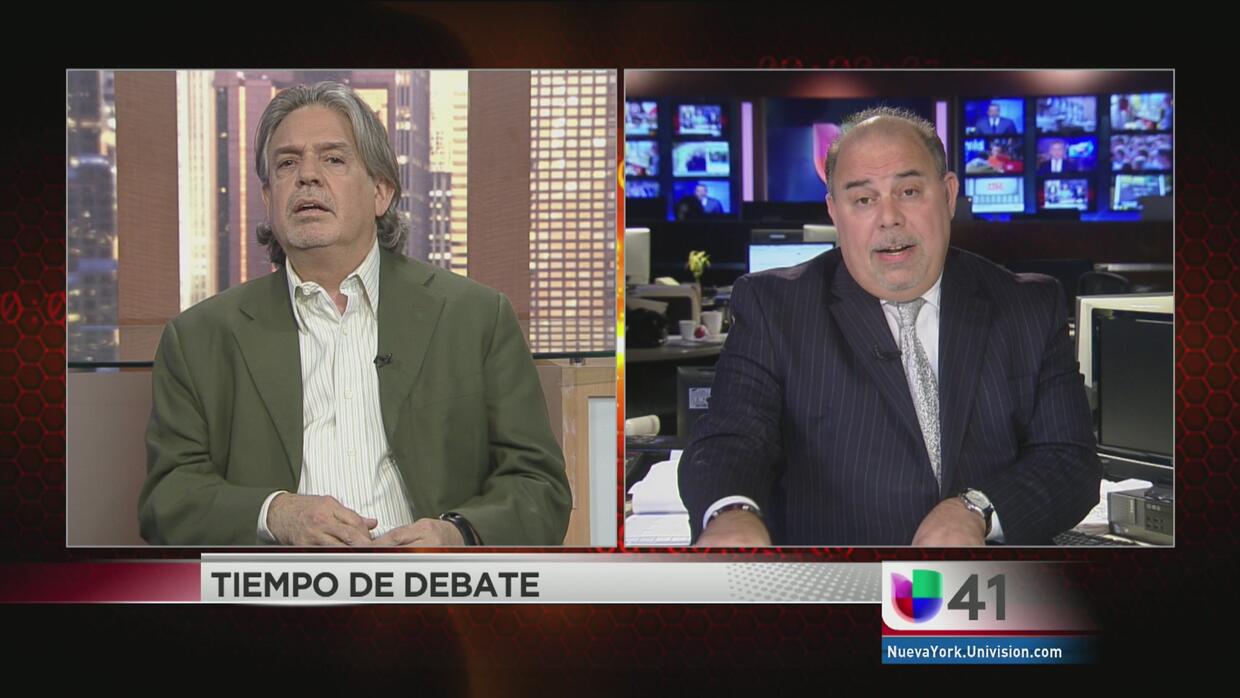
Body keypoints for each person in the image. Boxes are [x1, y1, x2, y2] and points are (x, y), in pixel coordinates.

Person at [139, 81, 572, 546]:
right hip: (284, 583)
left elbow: (539, 487)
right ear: (267, 198)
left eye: (333, 159)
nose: (307, 176)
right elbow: (168, 501)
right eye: (287, 163)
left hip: (428, 584)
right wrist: (275, 514)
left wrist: (456, 535)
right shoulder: (199, 338)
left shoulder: (476, 317)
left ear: (381, 192)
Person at [679, 106, 1099, 546]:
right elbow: (731, 438)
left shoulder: (1028, 305)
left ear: (949, 195)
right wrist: (731, 513)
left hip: (987, 583)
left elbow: (1069, 460)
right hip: (839, 579)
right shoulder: (774, 308)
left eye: (910, 191)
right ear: (834, 212)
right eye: (863, 199)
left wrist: (977, 508)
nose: (889, 217)